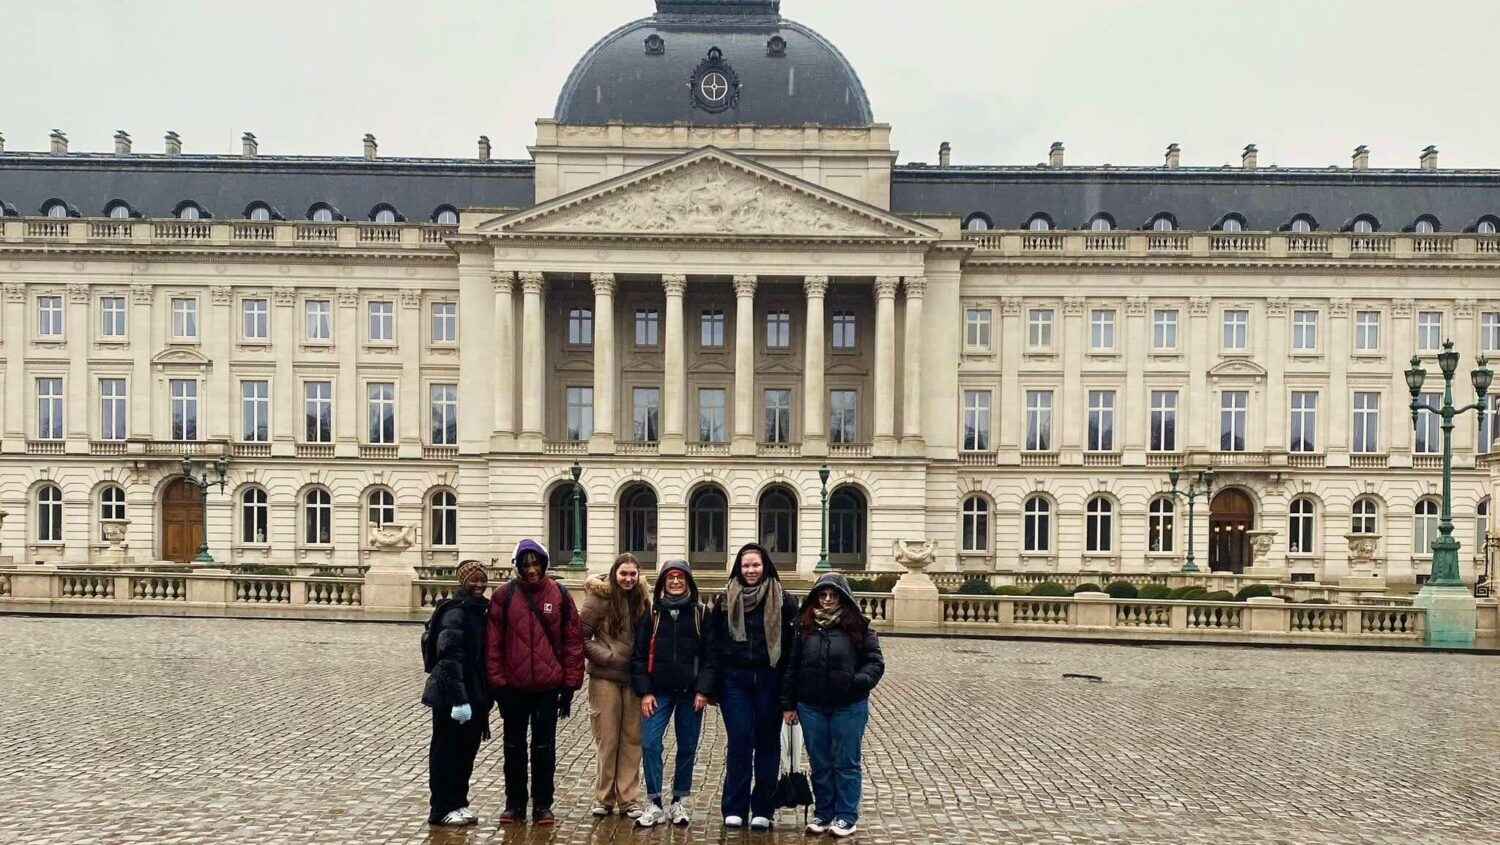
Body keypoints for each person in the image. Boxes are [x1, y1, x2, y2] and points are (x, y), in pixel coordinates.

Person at [699, 542, 799, 831]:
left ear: (765, 566)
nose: (751, 570)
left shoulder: (784, 600)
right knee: (740, 741)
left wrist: (789, 695)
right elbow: (713, 646)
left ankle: (763, 808)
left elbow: (792, 649)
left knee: (768, 743)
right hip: (735, 681)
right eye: (746, 565)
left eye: (756, 565)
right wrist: (710, 686)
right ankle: (734, 807)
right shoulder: (724, 601)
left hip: (770, 679)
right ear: (738, 568)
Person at [485, 539, 584, 827]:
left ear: (544, 564)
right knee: (513, 748)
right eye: (525, 564)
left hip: (547, 687)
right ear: (517, 565)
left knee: (544, 748)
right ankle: (514, 803)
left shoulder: (560, 594)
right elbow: (493, 645)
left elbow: (573, 642)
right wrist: (498, 685)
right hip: (513, 688)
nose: (531, 570)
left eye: (536, 563)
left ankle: (543, 804)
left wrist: (569, 686)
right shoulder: (503, 595)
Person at [781, 572, 885, 839]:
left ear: (843, 597)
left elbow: (874, 662)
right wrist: (788, 704)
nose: (827, 599)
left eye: (833, 595)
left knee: (846, 762)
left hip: (849, 705)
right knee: (820, 763)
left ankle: (846, 816)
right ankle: (824, 812)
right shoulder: (803, 626)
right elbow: (792, 666)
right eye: (823, 595)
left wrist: (856, 681)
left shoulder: (858, 626)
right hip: (811, 705)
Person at [630, 559, 709, 828]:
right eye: (670, 578)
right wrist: (645, 691)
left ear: (688, 582)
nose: (675, 582)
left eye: (680, 578)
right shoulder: (652, 614)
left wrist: (703, 689)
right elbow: (639, 655)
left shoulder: (700, 613)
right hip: (658, 691)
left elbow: (710, 655)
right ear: (663, 582)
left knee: (687, 746)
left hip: (690, 692)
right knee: (650, 744)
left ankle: (678, 800)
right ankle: (654, 802)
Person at [421, 559, 492, 827]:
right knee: (446, 753)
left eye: (482, 579)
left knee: (465, 753)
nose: (479, 584)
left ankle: (458, 802)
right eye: (474, 579)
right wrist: (460, 699)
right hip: (451, 695)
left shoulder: (478, 609)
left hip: (472, 691)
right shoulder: (455, 612)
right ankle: (441, 809)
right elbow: (449, 659)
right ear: (463, 581)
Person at [579, 553, 650, 819]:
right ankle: (605, 797)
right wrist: (607, 657)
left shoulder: (642, 600)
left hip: (633, 678)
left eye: (632, 574)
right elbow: (580, 636)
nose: (628, 579)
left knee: (632, 739)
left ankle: (628, 798)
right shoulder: (598, 599)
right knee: (607, 739)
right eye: (623, 574)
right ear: (614, 574)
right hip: (605, 677)